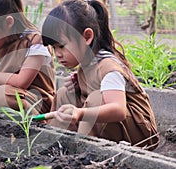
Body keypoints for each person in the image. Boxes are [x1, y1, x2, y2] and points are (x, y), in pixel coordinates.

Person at [41, 0, 159, 150]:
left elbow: (118, 109)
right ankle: (53, 144)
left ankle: (80, 150)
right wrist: (79, 87)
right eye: (54, 47)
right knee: (65, 93)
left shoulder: (109, 67)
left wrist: (79, 112)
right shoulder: (87, 63)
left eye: (62, 46)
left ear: (87, 37)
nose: (57, 54)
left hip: (141, 133)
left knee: (96, 99)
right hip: (116, 128)